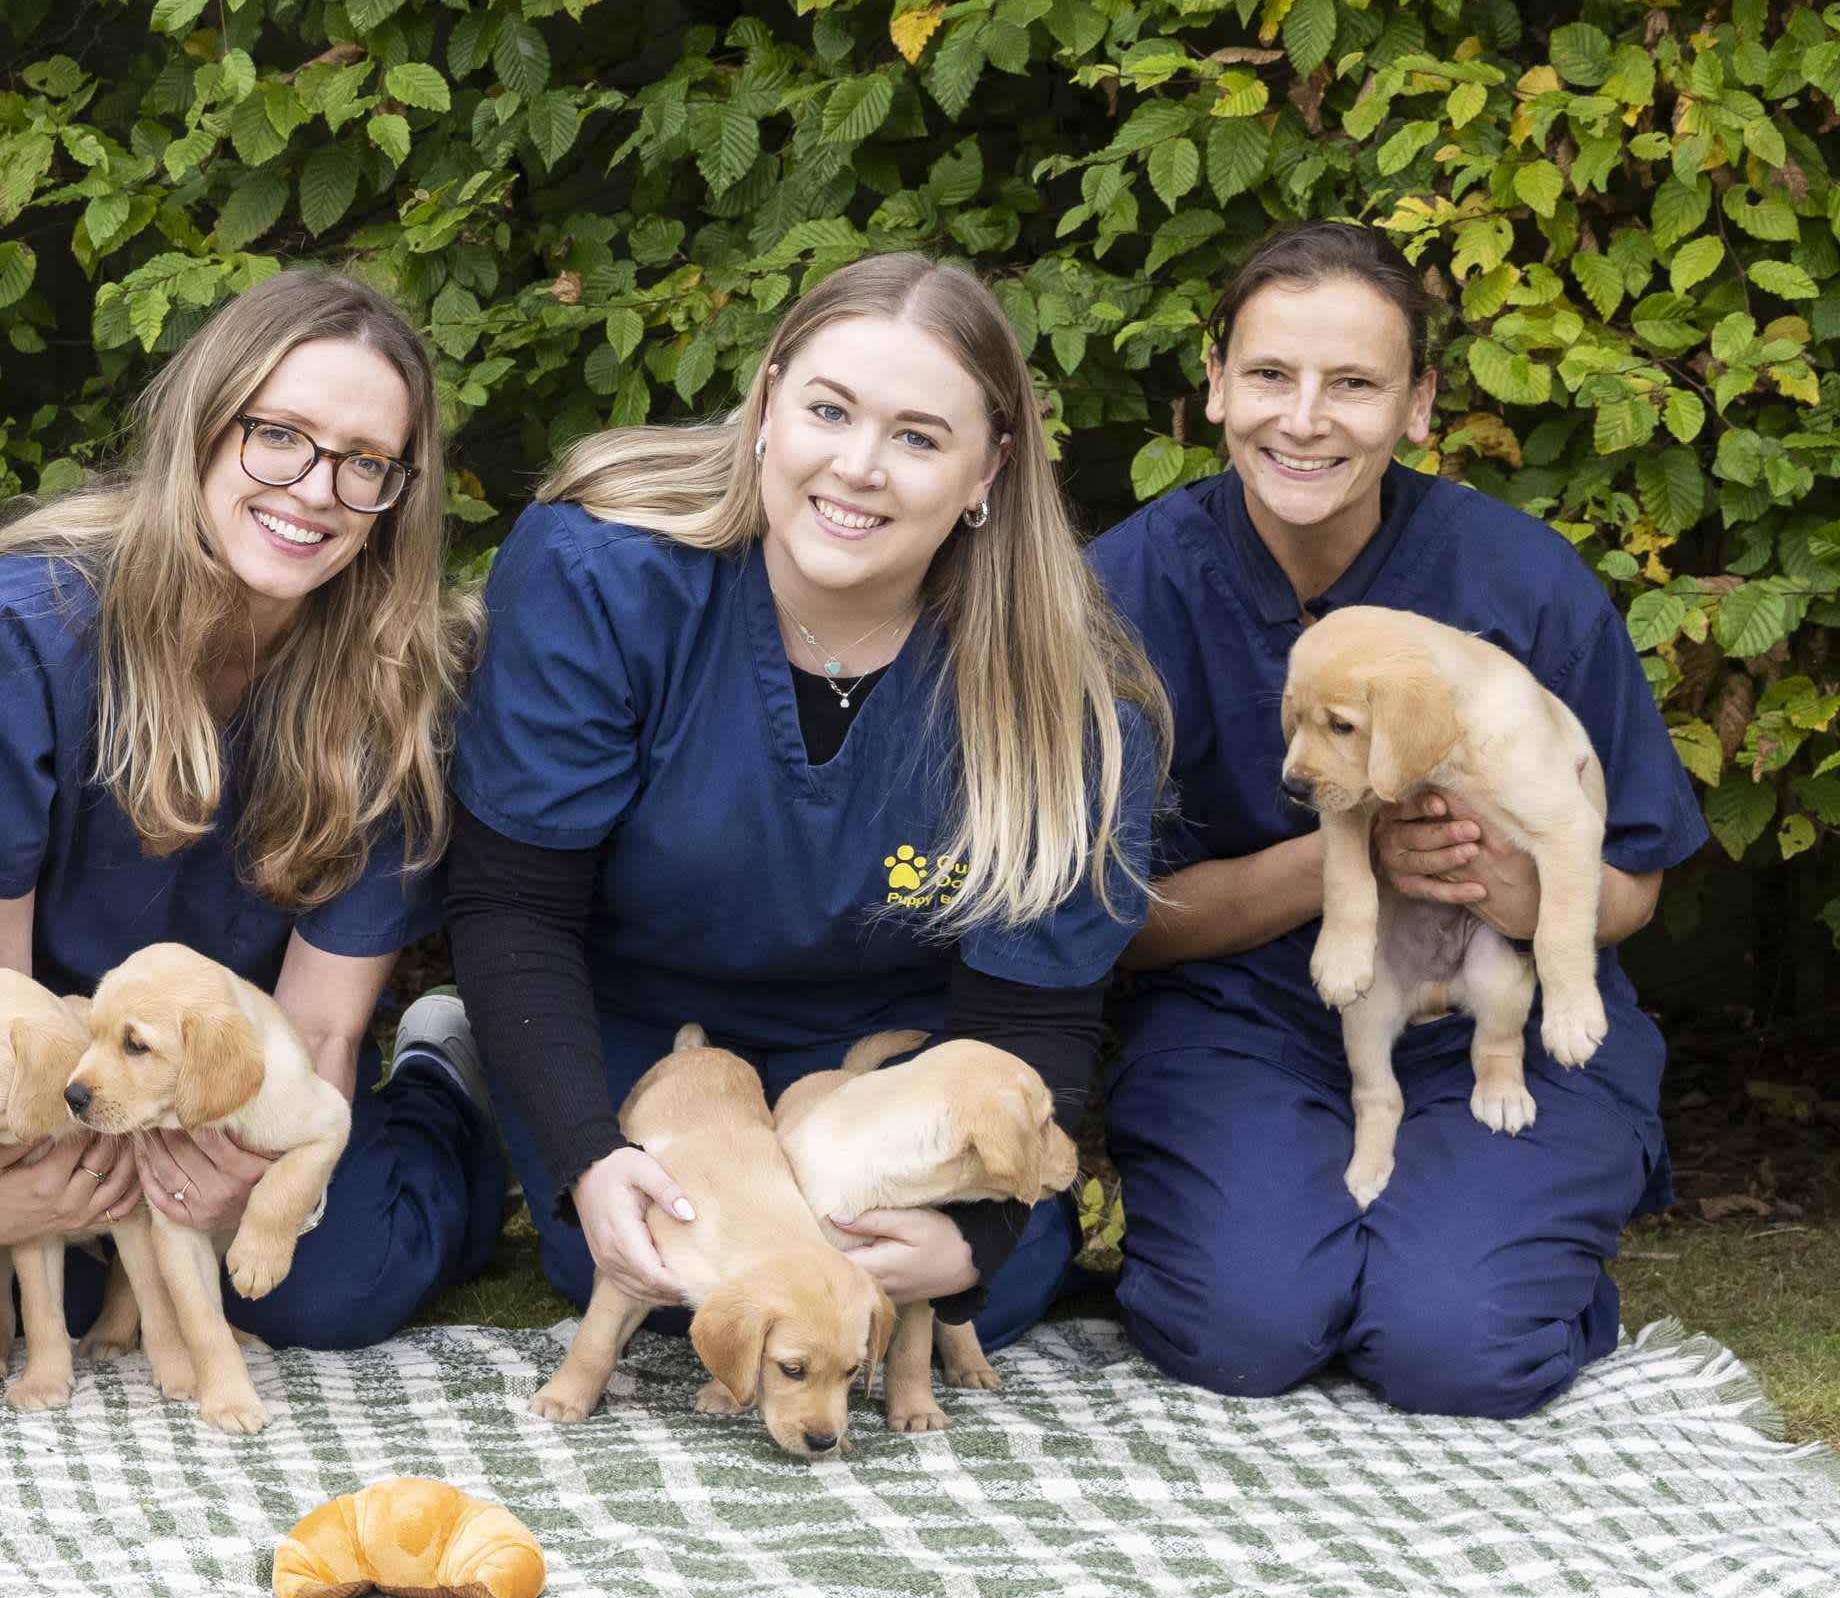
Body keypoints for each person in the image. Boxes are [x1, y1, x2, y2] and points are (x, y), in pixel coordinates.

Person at [447, 251, 1163, 1348]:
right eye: (827, 408)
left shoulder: (1059, 699)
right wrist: (589, 1151)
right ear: (768, 400)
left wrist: (973, 1236)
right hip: (641, 1024)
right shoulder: (603, 573)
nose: (859, 464)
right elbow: (512, 901)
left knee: (959, 1297)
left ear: (988, 469)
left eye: (919, 436)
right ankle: (462, 1063)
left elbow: (1032, 1014)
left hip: (879, 1054)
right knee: (666, 1278)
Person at [1092, 221, 1703, 1416]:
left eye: (1355, 383)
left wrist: (1511, 886)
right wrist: (1352, 856)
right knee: (1243, 1328)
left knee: (1452, 1345)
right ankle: (1303, 1241)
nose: (1303, 418)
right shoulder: (1122, 590)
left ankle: (1481, 1257)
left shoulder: (1521, 583)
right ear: (1212, 382)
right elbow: (1112, 922)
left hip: (1498, 1006)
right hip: (1243, 1016)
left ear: (1417, 405)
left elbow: (1630, 877)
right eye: (1268, 374)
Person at [0, 269, 504, 1348]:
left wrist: (241, 1175)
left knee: (328, 1284)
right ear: (203, 425)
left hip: (253, 1059)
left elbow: (321, 1020)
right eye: (276, 434)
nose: (315, 488)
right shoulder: (20, 626)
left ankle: (441, 1084)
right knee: (36, 1249)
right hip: (66, 1055)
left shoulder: (392, 675)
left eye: (363, 463)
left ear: (396, 495)